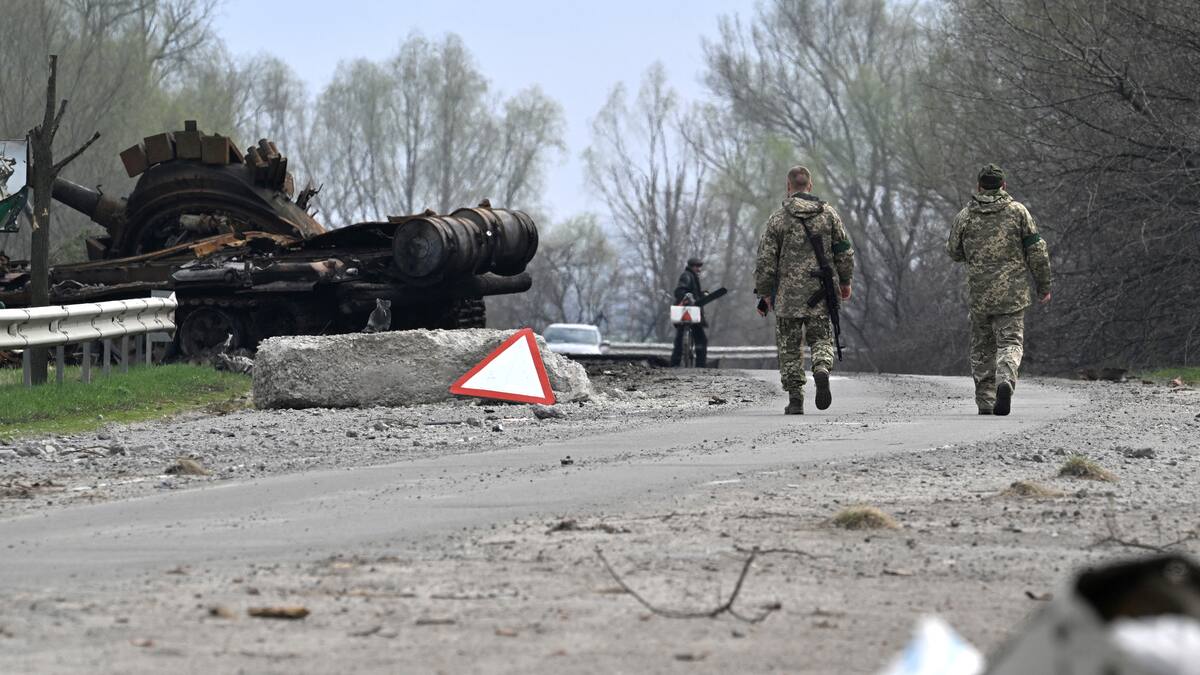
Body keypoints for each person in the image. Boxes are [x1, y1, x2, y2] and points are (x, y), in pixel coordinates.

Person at [946, 164, 1052, 416]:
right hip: (1013, 294)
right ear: (1004, 185)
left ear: (979, 186)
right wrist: (1044, 286)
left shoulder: (965, 216)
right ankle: (1005, 379)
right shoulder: (1018, 212)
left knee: (982, 348)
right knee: (1010, 342)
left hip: (980, 294)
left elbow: (953, 251)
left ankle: (985, 400)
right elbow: (1037, 251)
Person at [755, 166, 854, 414]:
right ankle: (821, 367)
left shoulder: (778, 218)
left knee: (789, 347)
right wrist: (845, 282)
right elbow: (844, 251)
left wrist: (764, 293)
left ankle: (795, 399)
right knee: (821, 338)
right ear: (810, 186)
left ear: (789, 187)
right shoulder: (829, 215)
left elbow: (766, 260)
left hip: (787, 296)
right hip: (821, 292)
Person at [670, 256, 708, 368]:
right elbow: (680, 291)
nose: (699, 269)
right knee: (701, 340)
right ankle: (700, 366)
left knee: (680, 339)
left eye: (700, 266)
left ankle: (675, 363)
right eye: (697, 266)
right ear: (692, 266)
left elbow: (692, 293)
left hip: (689, 312)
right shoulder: (687, 276)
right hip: (688, 312)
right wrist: (687, 297)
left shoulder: (691, 276)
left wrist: (702, 295)